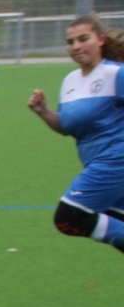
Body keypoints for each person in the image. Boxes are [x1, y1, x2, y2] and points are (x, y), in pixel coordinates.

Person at [28, 14, 124, 252]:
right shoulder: (70, 81)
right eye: (71, 42)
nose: (76, 46)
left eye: (83, 39)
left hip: (115, 162)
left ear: (100, 40)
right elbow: (67, 128)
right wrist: (43, 111)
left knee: (70, 217)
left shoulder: (116, 74)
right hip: (98, 164)